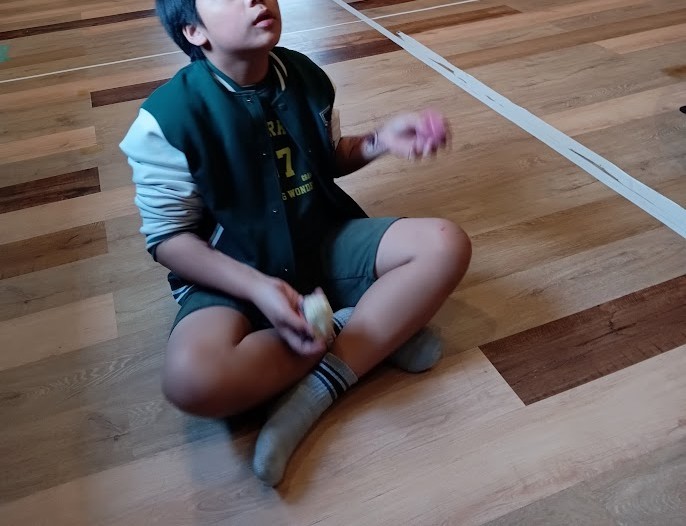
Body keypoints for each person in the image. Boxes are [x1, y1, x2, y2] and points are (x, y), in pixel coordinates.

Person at [120, 0, 472, 487]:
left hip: (320, 240)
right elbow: (169, 239)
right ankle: (367, 330)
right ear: (194, 31)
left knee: (445, 243)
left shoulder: (305, 74)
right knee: (191, 381)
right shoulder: (165, 120)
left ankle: (322, 383)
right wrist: (257, 288)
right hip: (232, 274)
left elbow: (326, 157)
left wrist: (380, 140)